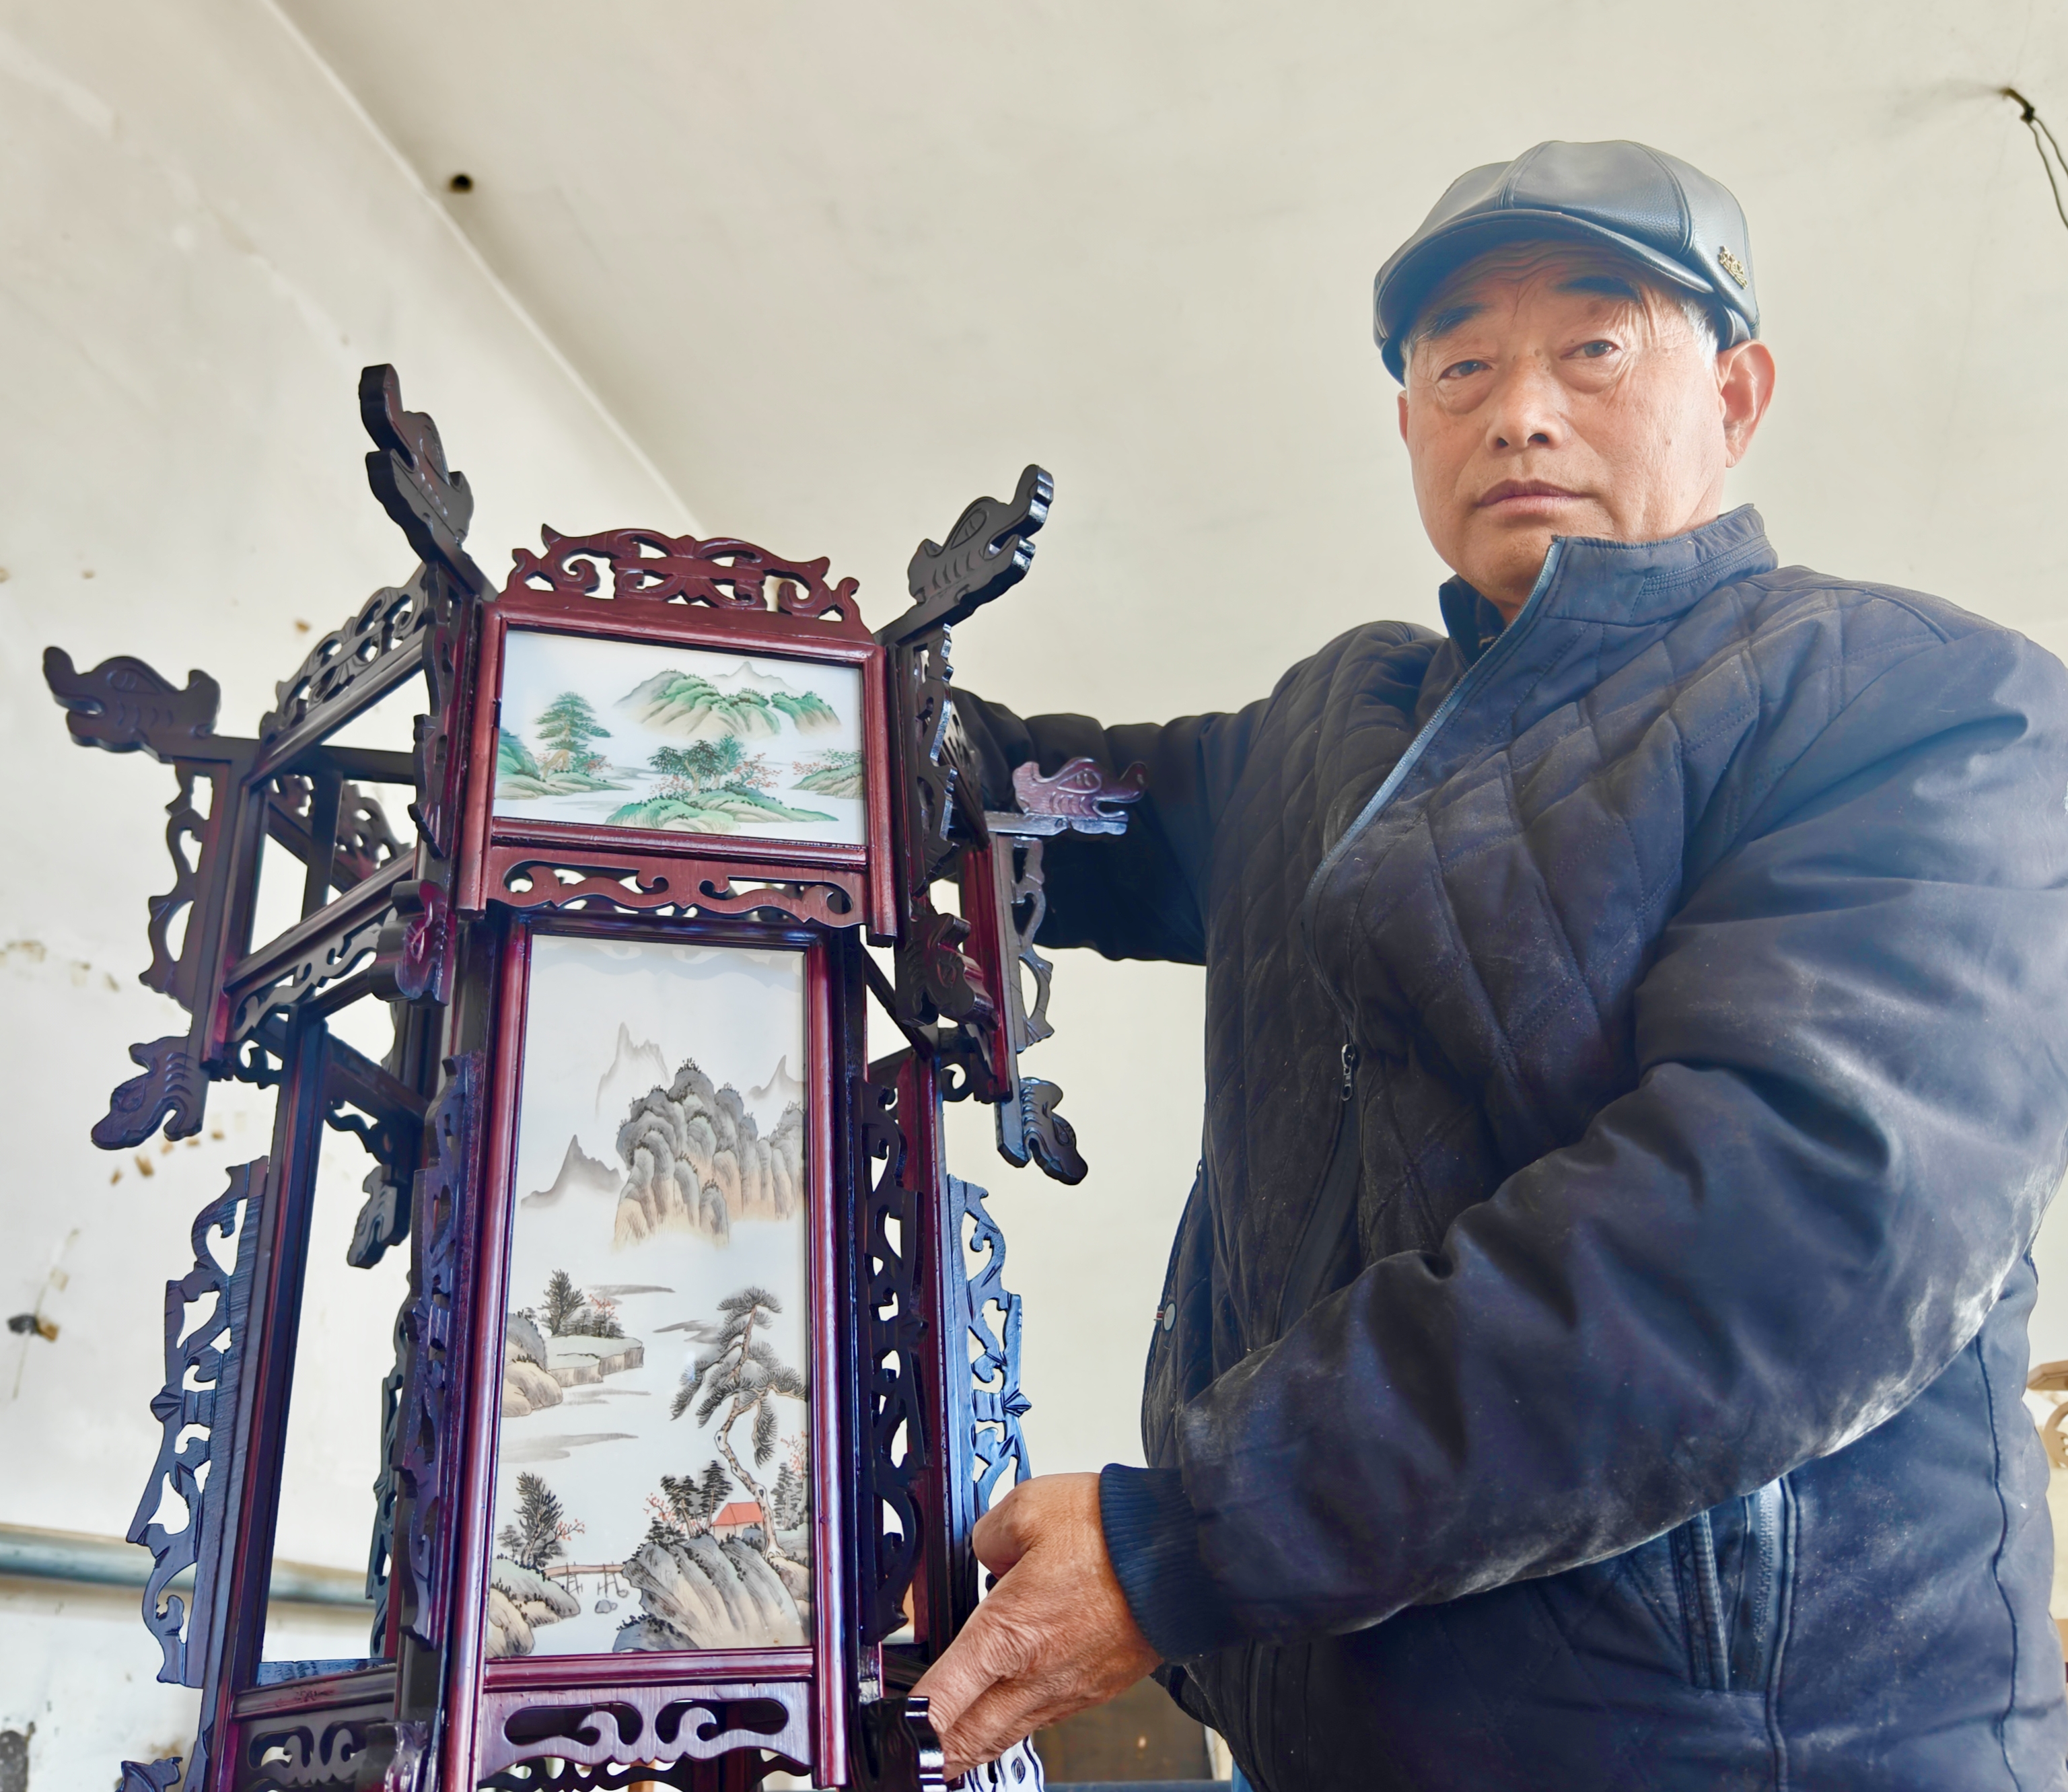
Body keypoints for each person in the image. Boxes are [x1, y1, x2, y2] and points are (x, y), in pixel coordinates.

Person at [911, 140, 2068, 1789]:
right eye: (1461, 365)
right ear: (1409, 423)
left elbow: (1781, 1237)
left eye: (1593, 347)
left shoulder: (1913, 702)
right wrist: (813, 728)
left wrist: (1191, 1543)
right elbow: (1047, 804)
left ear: (1734, 396)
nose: (1519, 411)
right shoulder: (1328, 735)